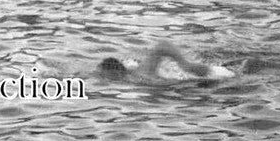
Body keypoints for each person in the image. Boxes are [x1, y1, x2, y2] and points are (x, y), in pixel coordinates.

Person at [98, 42, 236, 83]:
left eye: (106, 76)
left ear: (115, 72)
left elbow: (162, 46)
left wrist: (185, 64)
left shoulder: (141, 73)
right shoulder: (131, 72)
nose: (105, 80)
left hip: (215, 75)